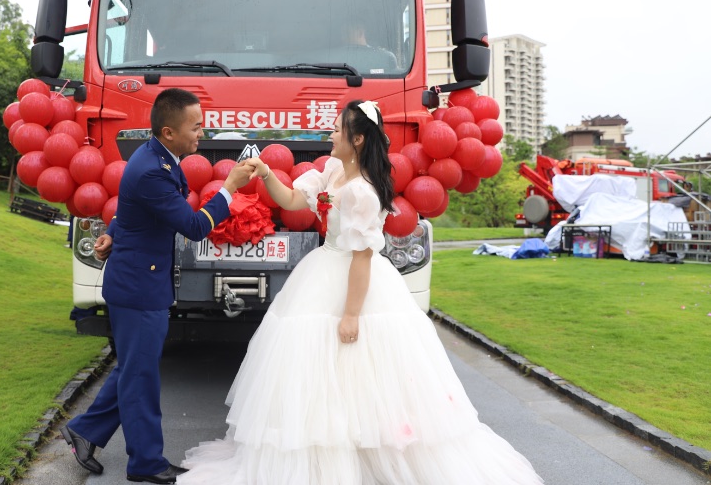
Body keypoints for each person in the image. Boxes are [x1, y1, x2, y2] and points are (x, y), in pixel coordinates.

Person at [176, 100, 544, 484]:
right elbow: (291, 200)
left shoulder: (364, 192)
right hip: (322, 271)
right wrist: (266, 173)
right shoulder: (333, 169)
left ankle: (367, 461)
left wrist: (351, 314)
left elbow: (363, 259)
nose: (330, 135)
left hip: (355, 280)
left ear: (358, 139)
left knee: (361, 371)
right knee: (318, 372)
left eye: (336, 130)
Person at [61, 88, 254, 484]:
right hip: (137, 289)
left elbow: (134, 210)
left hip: (140, 282)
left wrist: (114, 232)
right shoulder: (152, 168)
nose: (202, 133)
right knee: (142, 377)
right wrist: (229, 187)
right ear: (168, 131)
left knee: (134, 369)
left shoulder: (158, 158)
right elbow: (194, 226)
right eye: (196, 127)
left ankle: (85, 431)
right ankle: (145, 462)